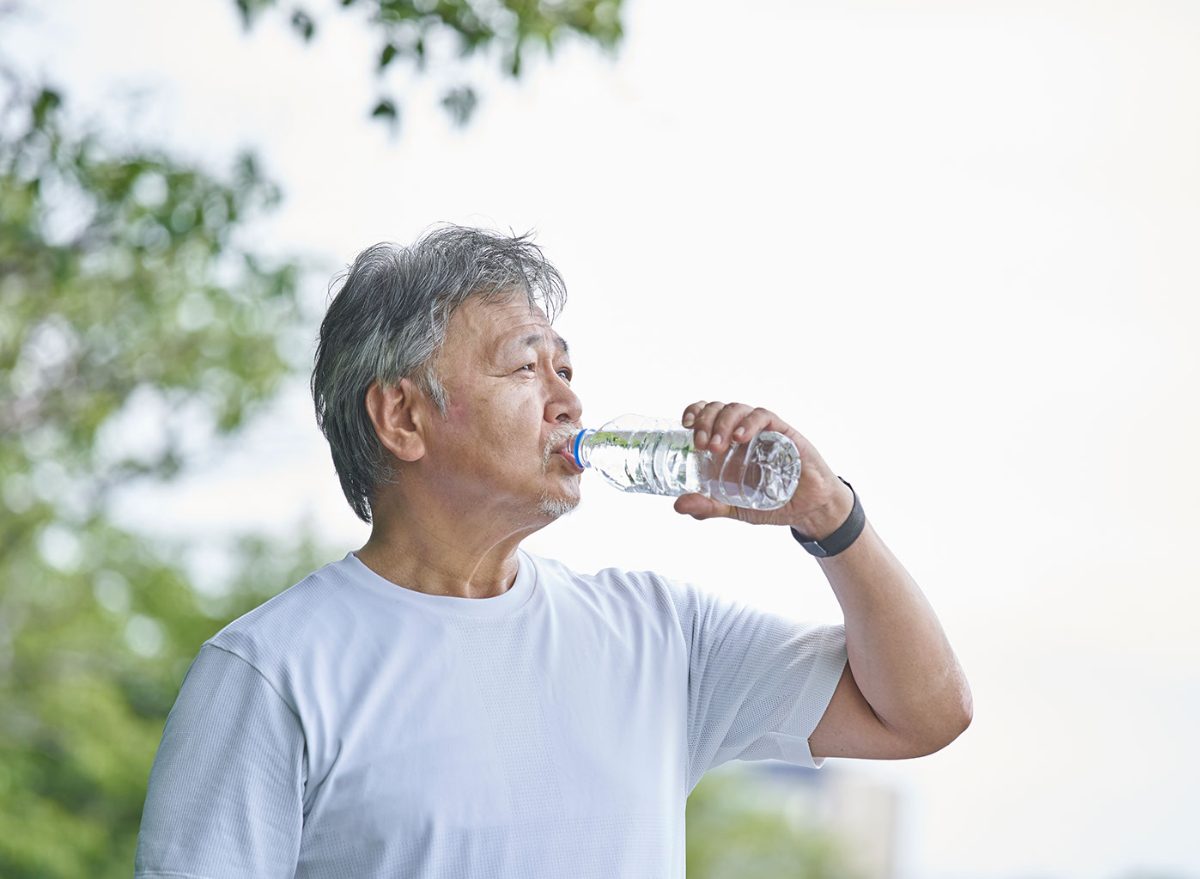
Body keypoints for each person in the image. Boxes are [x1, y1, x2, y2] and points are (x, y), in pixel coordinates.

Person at [134, 225, 972, 878]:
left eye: (566, 368)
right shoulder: (271, 670)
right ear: (402, 417)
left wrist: (826, 512)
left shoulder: (658, 634)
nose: (569, 399)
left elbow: (924, 713)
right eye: (525, 368)